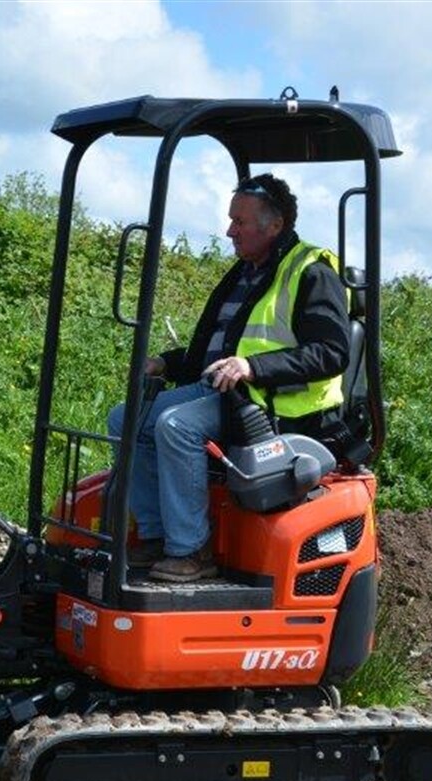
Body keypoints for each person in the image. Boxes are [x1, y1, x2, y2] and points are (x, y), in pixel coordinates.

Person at [107, 173, 350, 582]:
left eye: (239, 222)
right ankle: (155, 535)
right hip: (231, 392)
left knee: (177, 426)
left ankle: (192, 552)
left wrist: (254, 368)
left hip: (279, 405)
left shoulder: (310, 270)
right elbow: (219, 352)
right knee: (124, 417)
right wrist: (167, 363)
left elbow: (332, 353)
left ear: (273, 226)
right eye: (231, 220)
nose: (229, 231)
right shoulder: (244, 274)